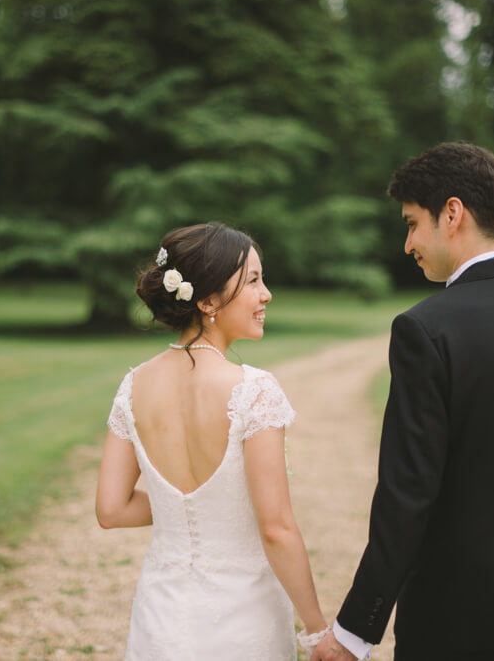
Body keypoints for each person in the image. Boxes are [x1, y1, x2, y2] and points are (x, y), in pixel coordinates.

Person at [313, 142, 494, 661]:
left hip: (453, 618)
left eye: (411, 223)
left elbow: (407, 496)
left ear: (452, 214)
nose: (407, 243)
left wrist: (355, 631)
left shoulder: (425, 329)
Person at [96, 222, 329, 660]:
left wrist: (180, 508)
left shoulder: (133, 387)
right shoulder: (253, 391)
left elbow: (111, 510)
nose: (267, 295)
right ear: (206, 302)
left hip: (160, 618)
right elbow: (276, 528)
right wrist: (317, 631)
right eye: (254, 281)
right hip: (244, 619)